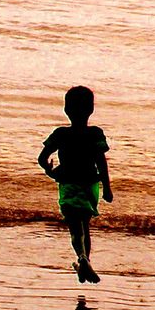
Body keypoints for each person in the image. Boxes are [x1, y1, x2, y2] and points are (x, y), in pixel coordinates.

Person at [38, 86, 113, 283]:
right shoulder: (95, 134)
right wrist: (108, 188)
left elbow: (42, 157)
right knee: (85, 227)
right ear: (91, 109)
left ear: (66, 110)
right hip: (90, 186)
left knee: (74, 227)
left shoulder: (61, 134)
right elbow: (101, 162)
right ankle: (86, 261)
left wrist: (50, 170)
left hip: (69, 184)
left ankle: (81, 258)